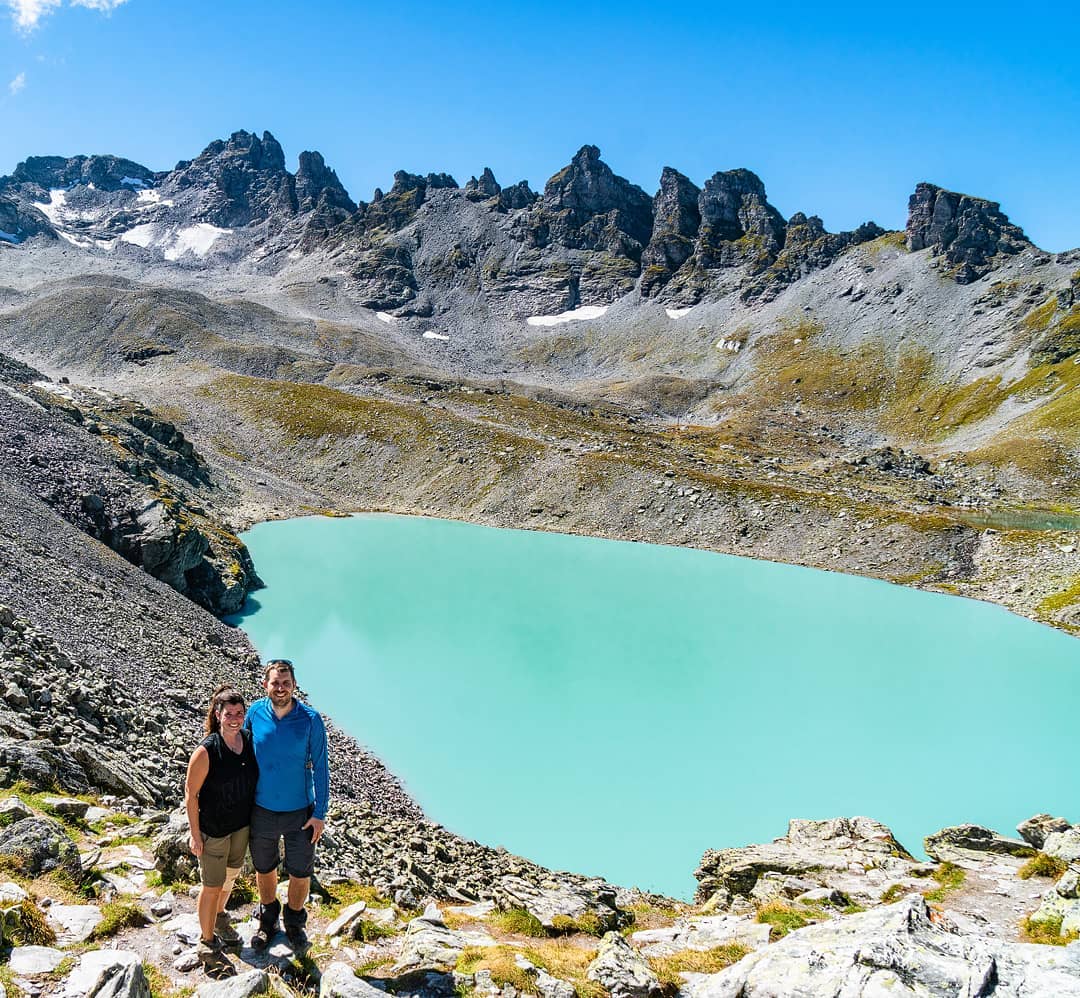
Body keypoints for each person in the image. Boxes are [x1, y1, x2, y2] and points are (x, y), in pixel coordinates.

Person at [246, 659, 329, 950]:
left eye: (286, 682)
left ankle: (294, 922)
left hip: (300, 813)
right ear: (265, 684)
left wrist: (319, 814)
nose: (280, 688)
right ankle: (268, 918)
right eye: (275, 683)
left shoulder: (310, 719)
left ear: (294, 685)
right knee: (264, 867)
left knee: (300, 871)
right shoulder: (255, 713)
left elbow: (321, 768)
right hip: (261, 808)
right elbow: (242, 756)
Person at [184, 684, 259, 966]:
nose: (235, 718)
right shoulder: (207, 751)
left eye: (240, 713)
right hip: (213, 829)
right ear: (217, 715)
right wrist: (195, 834)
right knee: (212, 885)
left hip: (240, 826)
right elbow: (191, 795)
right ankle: (206, 942)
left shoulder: (248, 740)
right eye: (229, 713)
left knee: (229, 878)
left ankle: (219, 917)